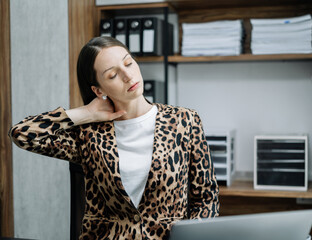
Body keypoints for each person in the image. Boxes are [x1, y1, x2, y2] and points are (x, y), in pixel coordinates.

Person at [9, 36, 219, 240]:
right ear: (98, 89)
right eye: (112, 75)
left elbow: (206, 198)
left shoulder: (184, 121)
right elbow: (23, 134)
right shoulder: (89, 134)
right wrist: (87, 113)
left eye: (129, 63)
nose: (128, 75)